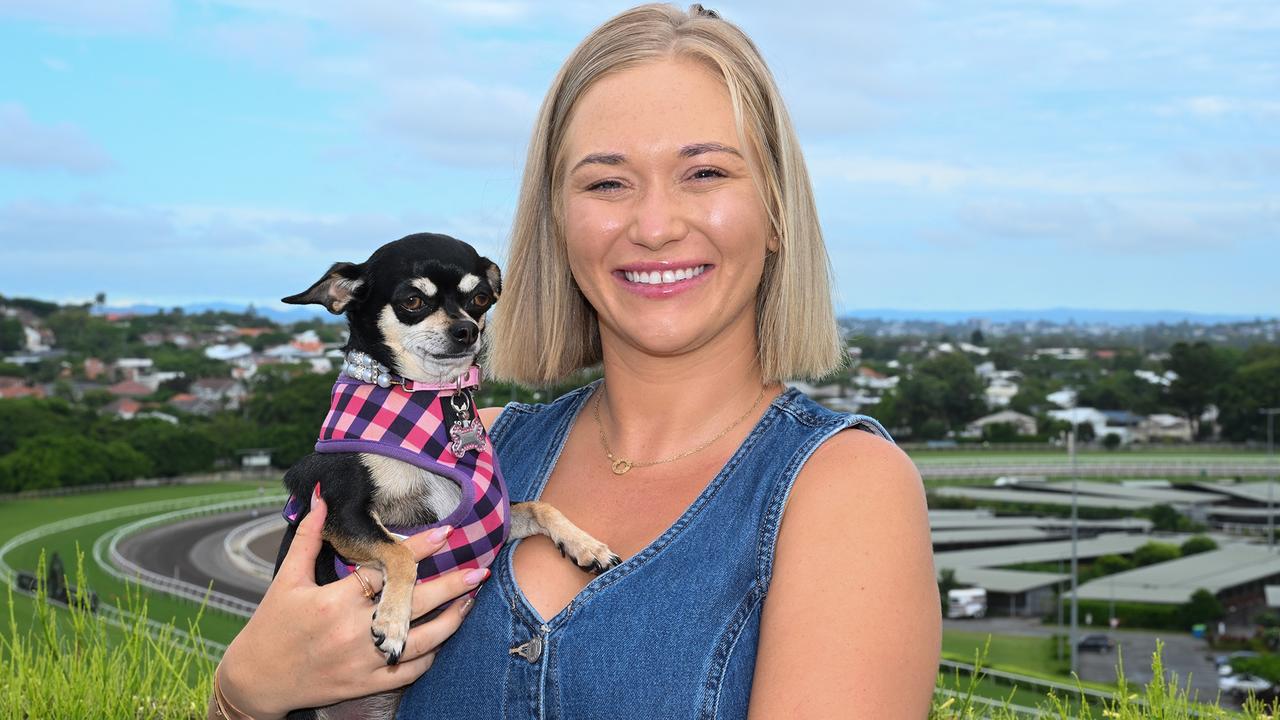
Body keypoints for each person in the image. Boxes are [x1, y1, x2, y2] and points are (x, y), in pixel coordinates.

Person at [212, 4, 940, 718]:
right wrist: (243, 695)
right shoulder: (471, 448)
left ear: (776, 211)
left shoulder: (842, 488)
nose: (655, 226)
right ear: (557, 226)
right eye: (606, 182)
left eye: (706, 173)